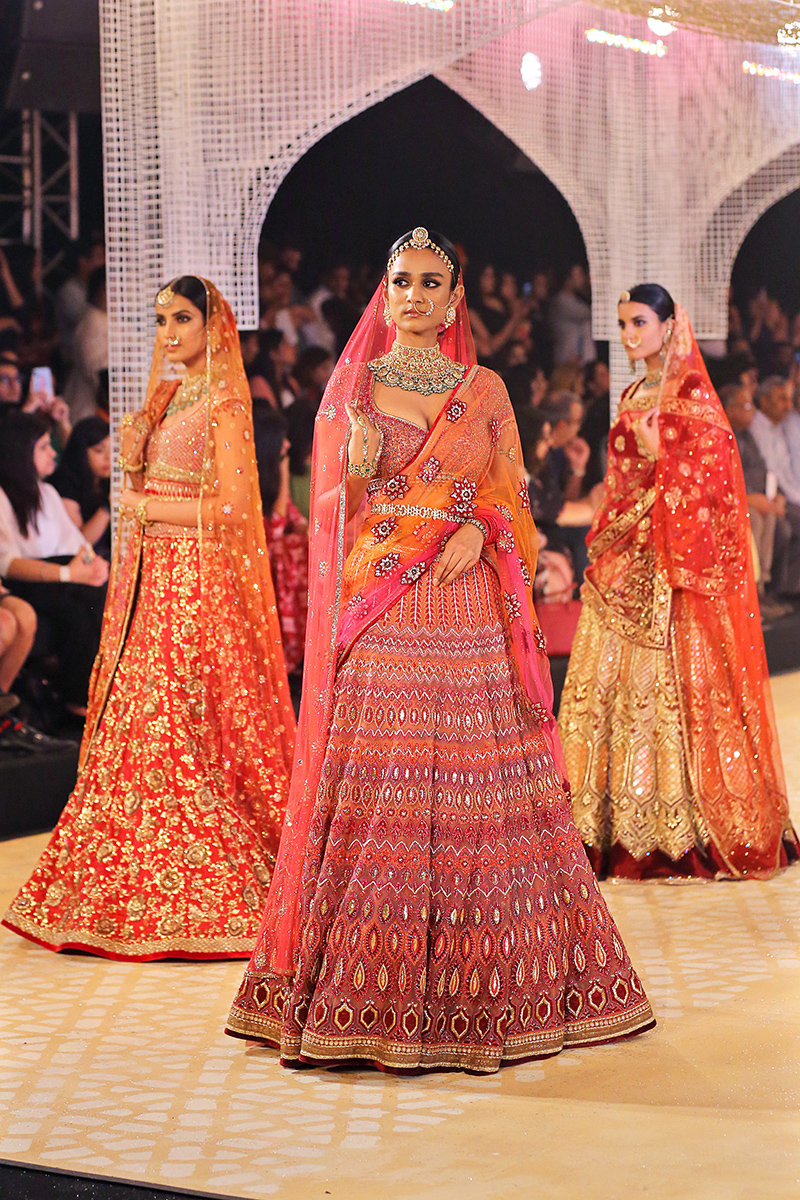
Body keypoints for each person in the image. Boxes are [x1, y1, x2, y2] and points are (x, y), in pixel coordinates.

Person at [227, 228, 654, 1072]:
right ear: (384, 294)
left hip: (467, 603)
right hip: (385, 601)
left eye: (431, 282)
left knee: (478, 783)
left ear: (456, 299)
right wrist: (354, 463)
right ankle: (362, 996)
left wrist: (478, 528)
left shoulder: (485, 388)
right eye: (402, 281)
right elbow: (333, 512)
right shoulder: (354, 385)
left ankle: (494, 989)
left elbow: (517, 498)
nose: (415, 295)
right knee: (384, 779)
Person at [3, 276, 296, 960]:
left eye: (182, 318)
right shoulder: (165, 395)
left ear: (213, 325)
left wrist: (143, 507)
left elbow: (234, 508)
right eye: (161, 320)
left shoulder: (226, 401)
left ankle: (192, 869)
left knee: (181, 717)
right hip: (152, 582)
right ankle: (135, 866)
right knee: (141, 716)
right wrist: (135, 468)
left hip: (196, 581)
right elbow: (144, 485)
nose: (169, 333)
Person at [559, 284, 798, 880]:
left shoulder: (691, 397)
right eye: (623, 324)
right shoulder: (631, 393)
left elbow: (714, 484)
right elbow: (620, 480)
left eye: (640, 322)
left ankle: (677, 833)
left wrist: (659, 453)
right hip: (623, 559)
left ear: (669, 325)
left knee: (671, 690)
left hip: (673, 566)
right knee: (603, 688)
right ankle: (601, 827)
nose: (629, 335)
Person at [0, 410, 108, 717]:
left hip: (62, 575)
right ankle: (77, 699)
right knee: (80, 601)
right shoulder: (3, 496)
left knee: (101, 589)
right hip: (28, 580)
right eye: (44, 447)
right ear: (22, 452)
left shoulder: (47, 493)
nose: (53, 454)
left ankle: (93, 693)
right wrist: (67, 573)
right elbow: (8, 564)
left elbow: (77, 544)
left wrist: (94, 565)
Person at [252, 404, 309, 675]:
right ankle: (289, 649)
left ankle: (300, 648)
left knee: (306, 545)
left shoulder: (271, 475)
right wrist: (284, 469)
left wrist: (304, 528)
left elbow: (295, 520)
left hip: (274, 563)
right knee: (290, 552)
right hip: (258, 565)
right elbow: (274, 529)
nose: (287, 444)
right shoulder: (252, 481)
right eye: (281, 441)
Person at [51, 416, 112, 560]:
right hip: (77, 561)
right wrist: (108, 506)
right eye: (99, 450)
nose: (108, 458)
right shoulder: (65, 483)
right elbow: (81, 541)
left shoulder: (107, 481)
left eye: (113, 450)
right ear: (81, 451)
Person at [64, 266, 108, 422]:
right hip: (90, 407)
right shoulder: (93, 321)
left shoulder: (104, 318)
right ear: (97, 291)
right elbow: (98, 371)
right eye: (107, 289)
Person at [549, 265, 596, 366]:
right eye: (578, 275)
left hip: (582, 360)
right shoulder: (561, 301)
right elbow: (589, 312)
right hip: (567, 359)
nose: (582, 279)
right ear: (567, 279)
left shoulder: (577, 300)